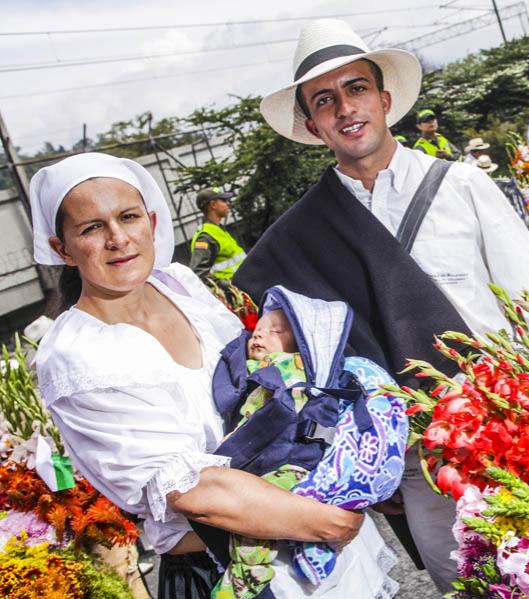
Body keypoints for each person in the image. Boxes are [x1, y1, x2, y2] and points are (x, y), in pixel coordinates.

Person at [235, 18, 529, 593]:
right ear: (313, 125)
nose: (345, 108)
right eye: (324, 100)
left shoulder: (462, 186)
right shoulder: (299, 239)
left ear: (385, 99)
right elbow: (312, 371)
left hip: (519, 428)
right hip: (419, 463)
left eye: (357, 89)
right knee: (466, 580)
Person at [29, 152, 395, 598]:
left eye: (128, 217)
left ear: (151, 219)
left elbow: (266, 383)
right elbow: (192, 490)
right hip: (226, 568)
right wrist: (329, 519)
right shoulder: (76, 354)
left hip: (310, 529)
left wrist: (352, 467)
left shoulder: (179, 284)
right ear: (61, 248)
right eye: (91, 228)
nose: (119, 238)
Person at [212, 287, 408, 596]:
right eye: (257, 331)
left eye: (275, 331)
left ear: (301, 345)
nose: (259, 336)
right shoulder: (254, 372)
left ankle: (244, 579)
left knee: (253, 520)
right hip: (276, 466)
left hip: (290, 467)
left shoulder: (289, 374)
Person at [189, 186, 246, 281]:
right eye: (224, 200)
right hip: (234, 292)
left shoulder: (218, 230)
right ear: (213, 204)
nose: (228, 203)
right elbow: (199, 273)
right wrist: (225, 287)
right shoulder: (205, 237)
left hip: (243, 287)